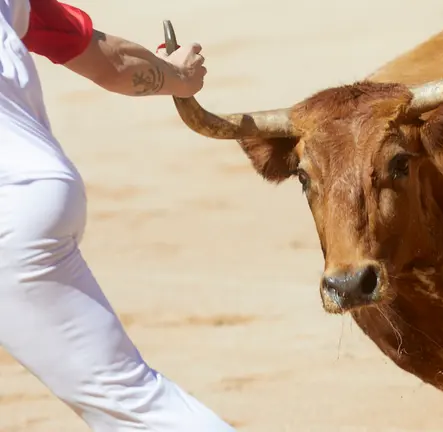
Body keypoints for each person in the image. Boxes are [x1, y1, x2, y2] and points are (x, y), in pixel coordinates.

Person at [0, 0, 237, 430]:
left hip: (8, 210)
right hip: (40, 189)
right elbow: (111, 61)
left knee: (130, 401)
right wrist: (178, 76)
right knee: (132, 397)